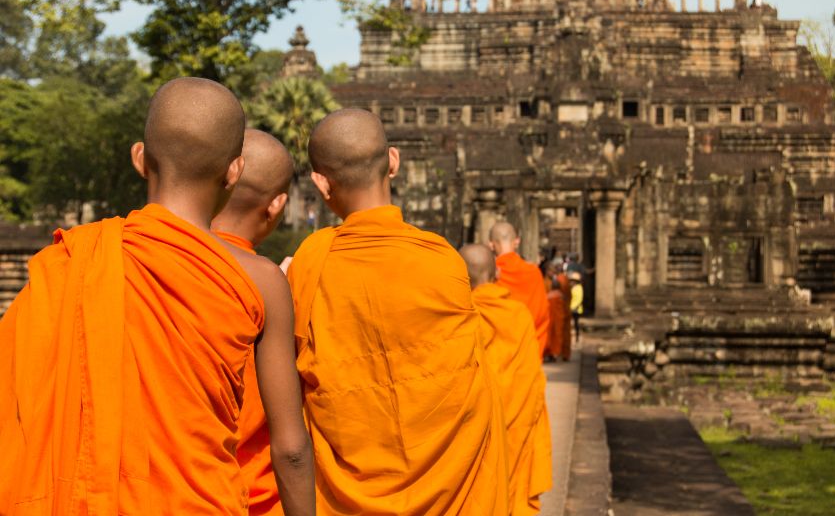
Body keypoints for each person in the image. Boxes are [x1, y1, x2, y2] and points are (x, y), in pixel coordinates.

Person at [0, 78, 314, 515]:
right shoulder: (260, 280)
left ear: (139, 158)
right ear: (234, 170)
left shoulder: (71, 263)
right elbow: (292, 448)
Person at [285, 108, 508, 514]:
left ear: (319, 182)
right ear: (393, 161)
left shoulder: (309, 264)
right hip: (452, 496)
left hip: (345, 499)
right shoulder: (442, 259)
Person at [210, 129, 299, 516]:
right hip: (257, 498)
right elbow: (292, 446)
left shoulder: (128, 261)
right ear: (277, 204)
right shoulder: (272, 284)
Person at [459, 244, 553, 515]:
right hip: (517, 424)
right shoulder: (518, 315)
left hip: (477, 429)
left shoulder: (460, 318)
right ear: (497, 273)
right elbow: (531, 380)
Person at [489, 221, 551, 357]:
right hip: (528, 349)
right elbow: (542, 315)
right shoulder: (533, 272)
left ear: (491, 244)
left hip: (497, 352)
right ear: (517, 241)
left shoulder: (489, 275)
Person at [544, 269, 567, 362]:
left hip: (549, 319)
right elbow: (564, 308)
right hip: (559, 319)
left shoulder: (548, 296)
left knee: (550, 336)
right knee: (558, 335)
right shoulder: (561, 296)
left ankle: (550, 353)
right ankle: (556, 353)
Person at [569, 271, 585, 342]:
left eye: (572, 281)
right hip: (572, 308)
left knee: (576, 324)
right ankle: (575, 338)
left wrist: (571, 308)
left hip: (575, 309)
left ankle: (577, 338)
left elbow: (579, 299)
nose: (570, 282)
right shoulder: (575, 288)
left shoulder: (578, 288)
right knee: (574, 324)